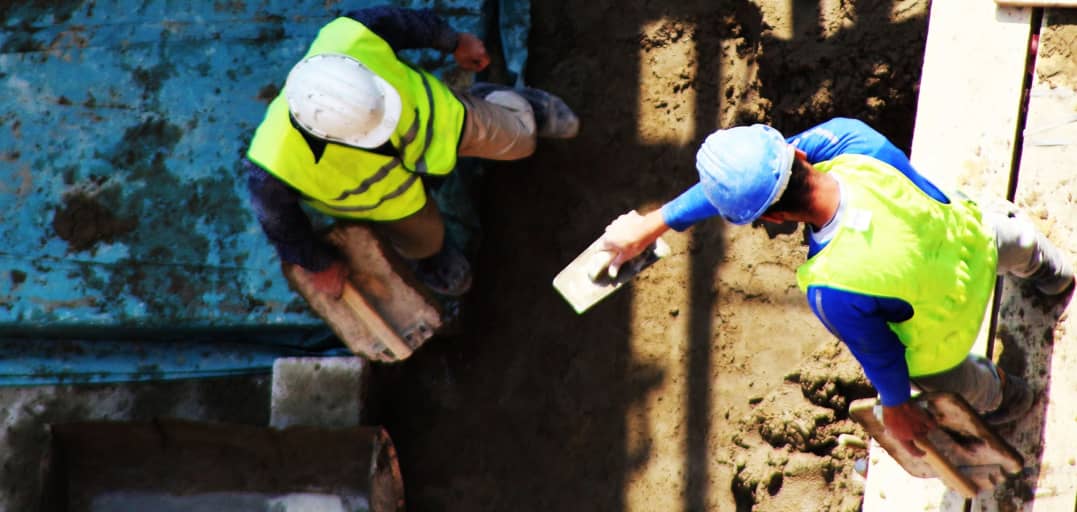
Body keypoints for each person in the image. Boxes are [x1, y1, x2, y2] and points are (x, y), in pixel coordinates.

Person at [598, 117, 1074, 457]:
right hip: (977, 247)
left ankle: (1011, 398)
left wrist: (897, 407)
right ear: (800, 154)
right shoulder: (856, 141)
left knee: (955, 381)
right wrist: (657, 221)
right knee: (1006, 233)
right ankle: (1053, 275)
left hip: (946, 335)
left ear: (774, 219)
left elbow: (883, 355)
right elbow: (767, 169)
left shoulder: (831, 287)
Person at [245, 6, 578, 299]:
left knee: (519, 142)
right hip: (395, 206)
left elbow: (402, 22)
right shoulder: (272, 167)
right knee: (424, 241)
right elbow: (281, 224)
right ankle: (432, 256)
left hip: (446, 124)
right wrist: (317, 263)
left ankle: (506, 106)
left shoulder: (349, 37)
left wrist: (454, 41)